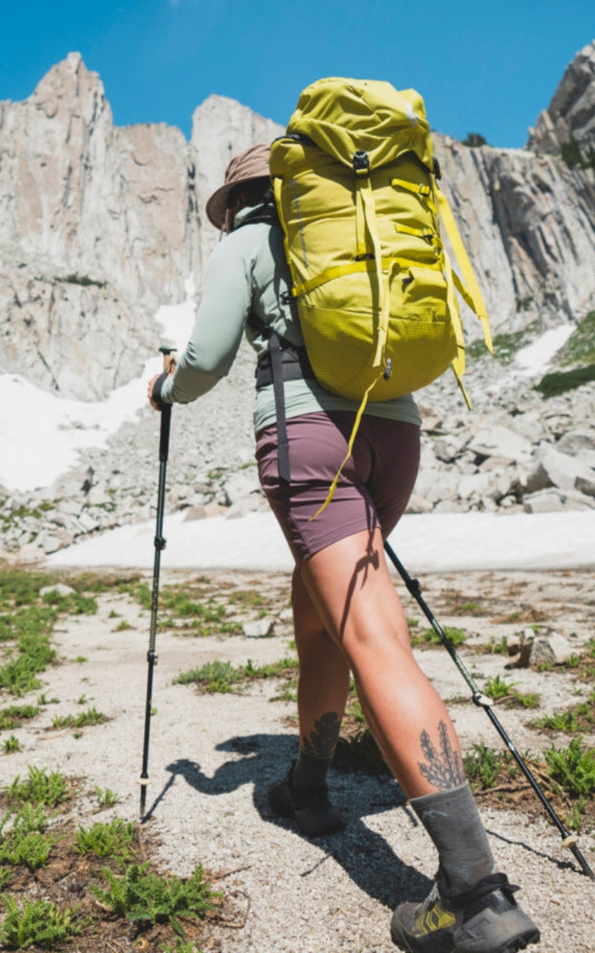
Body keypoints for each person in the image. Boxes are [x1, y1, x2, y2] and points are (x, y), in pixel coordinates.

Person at [147, 143, 540, 953]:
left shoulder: (249, 239)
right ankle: (310, 786)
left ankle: (474, 893)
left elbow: (207, 358)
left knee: (370, 635)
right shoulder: (358, 233)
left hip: (310, 440)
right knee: (320, 615)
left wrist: (162, 385)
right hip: (394, 433)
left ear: (243, 194)